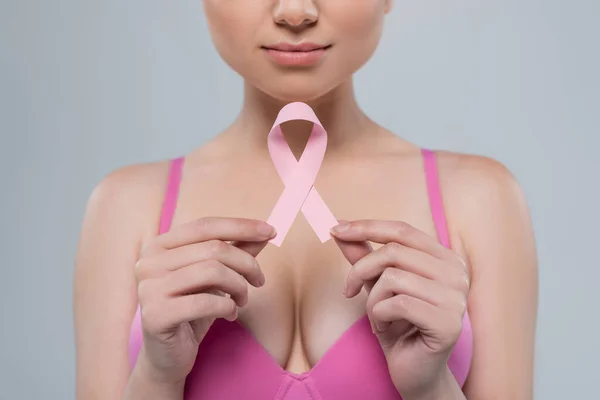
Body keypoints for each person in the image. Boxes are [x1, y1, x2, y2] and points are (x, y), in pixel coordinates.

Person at [73, 1, 538, 399]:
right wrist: (157, 377)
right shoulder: (124, 208)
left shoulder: (481, 201)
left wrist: (431, 388)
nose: (296, 12)